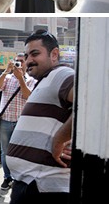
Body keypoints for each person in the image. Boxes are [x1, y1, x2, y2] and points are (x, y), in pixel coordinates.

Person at [7, 30, 74, 203]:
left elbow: (91, 101)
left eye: (35, 54)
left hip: (43, 188)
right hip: (29, 185)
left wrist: (60, 139)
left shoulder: (62, 74)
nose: (29, 60)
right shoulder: (45, 81)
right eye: (27, 55)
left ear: (54, 54)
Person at [0, 53, 37, 191]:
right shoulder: (7, 78)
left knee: (21, 152)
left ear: (26, 64)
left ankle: (19, 178)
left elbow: (28, 97)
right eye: (16, 61)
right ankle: (7, 177)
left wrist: (21, 80)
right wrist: (6, 71)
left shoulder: (31, 80)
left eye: (21, 62)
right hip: (5, 121)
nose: (19, 64)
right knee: (5, 152)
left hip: (21, 123)